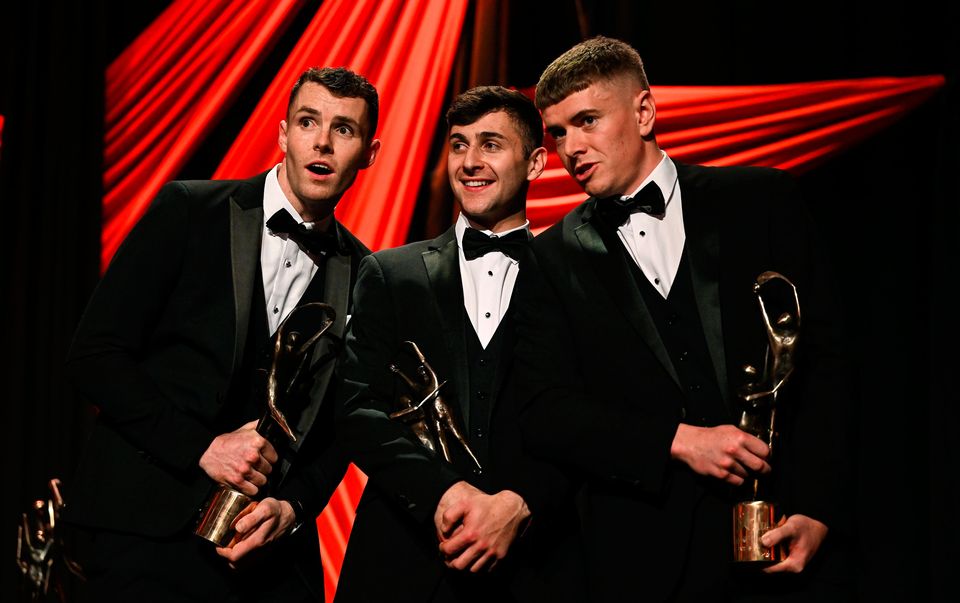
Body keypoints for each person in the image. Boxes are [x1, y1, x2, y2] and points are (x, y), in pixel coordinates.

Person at [509, 36, 854, 601]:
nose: (572, 147)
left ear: (644, 111)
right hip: (641, 561)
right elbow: (547, 411)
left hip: (785, 538)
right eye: (560, 132)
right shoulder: (550, 260)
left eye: (588, 120)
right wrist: (676, 440)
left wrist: (820, 509)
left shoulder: (761, 201)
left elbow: (827, 362)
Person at [63, 66, 380, 602]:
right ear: (283, 135)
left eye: (344, 129)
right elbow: (94, 356)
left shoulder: (369, 273)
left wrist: (295, 506)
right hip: (143, 527)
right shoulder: (188, 210)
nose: (322, 141)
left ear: (369, 154)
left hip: (262, 548)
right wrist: (201, 449)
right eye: (308, 121)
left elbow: (344, 423)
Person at [332, 85, 584, 603]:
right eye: (458, 144)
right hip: (403, 565)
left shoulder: (575, 279)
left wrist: (522, 503)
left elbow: (591, 420)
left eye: (491, 144)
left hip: (535, 572)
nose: (470, 162)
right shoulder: (390, 273)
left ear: (536, 163)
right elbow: (355, 407)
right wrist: (441, 492)